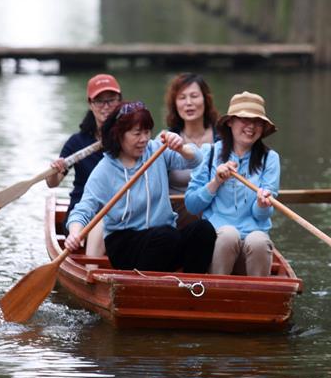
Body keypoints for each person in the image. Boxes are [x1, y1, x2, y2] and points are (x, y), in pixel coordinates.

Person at [64, 101, 216, 273]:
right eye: (137, 134)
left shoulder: (156, 150)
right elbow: (83, 209)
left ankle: (192, 287)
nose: (144, 139)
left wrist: (181, 147)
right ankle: (146, 287)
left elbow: (196, 159)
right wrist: (74, 233)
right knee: (166, 237)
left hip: (163, 237)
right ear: (119, 135)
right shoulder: (105, 169)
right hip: (125, 243)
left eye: (146, 132)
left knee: (203, 230)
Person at [184, 91, 280, 277]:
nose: (251, 127)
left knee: (259, 240)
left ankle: (260, 298)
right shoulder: (209, 153)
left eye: (257, 121)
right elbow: (191, 205)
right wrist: (216, 182)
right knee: (228, 234)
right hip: (219, 243)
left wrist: (262, 204)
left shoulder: (270, 159)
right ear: (230, 122)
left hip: (253, 244)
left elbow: (262, 216)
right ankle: (216, 291)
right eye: (244, 119)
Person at [46, 74, 122, 230]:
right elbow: (52, 183)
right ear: (90, 103)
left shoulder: (130, 138)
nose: (106, 106)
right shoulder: (77, 142)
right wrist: (54, 170)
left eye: (111, 100)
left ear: (119, 101)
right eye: (100, 101)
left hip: (120, 213)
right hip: (82, 213)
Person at [161, 73, 220, 226]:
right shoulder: (165, 140)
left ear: (205, 100)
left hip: (217, 214)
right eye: (182, 98)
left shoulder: (223, 138)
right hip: (177, 217)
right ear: (175, 104)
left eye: (194, 96)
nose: (188, 103)